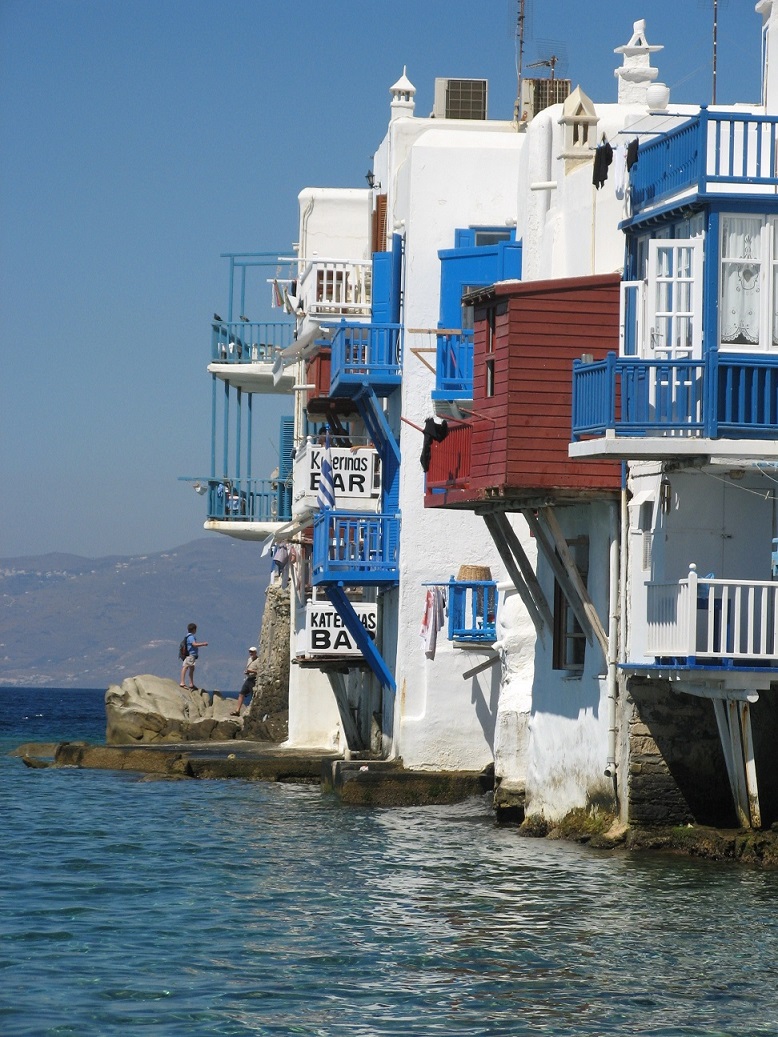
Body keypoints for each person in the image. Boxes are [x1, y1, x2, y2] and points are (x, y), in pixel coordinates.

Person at [231, 646, 259, 715]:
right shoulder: (249, 659)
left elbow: (259, 671)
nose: (250, 653)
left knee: (253, 695)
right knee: (241, 693)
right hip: (248, 679)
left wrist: (251, 671)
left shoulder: (258, 660)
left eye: (252, 652)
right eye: (250, 651)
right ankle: (237, 710)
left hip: (254, 680)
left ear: (255, 652)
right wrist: (247, 672)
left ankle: (253, 710)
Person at [180, 622, 208, 690]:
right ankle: (183, 683)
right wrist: (203, 644)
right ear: (193, 630)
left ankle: (191, 683)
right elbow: (194, 644)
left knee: (191, 668)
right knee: (186, 667)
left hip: (189, 655)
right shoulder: (191, 637)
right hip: (190, 655)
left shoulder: (187, 636)